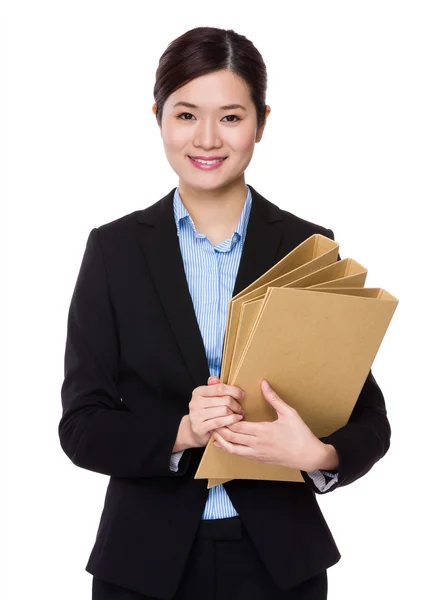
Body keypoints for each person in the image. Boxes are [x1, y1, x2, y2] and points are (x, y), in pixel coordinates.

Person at [59, 26, 391, 600]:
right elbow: (81, 426)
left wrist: (317, 456)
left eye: (231, 117)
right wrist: (182, 432)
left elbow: (368, 419)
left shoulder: (308, 247)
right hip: (143, 563)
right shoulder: (114, 250)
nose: (207, 138)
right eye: (186, 115)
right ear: (158, 117)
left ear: (261, 122)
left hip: (279, 562)